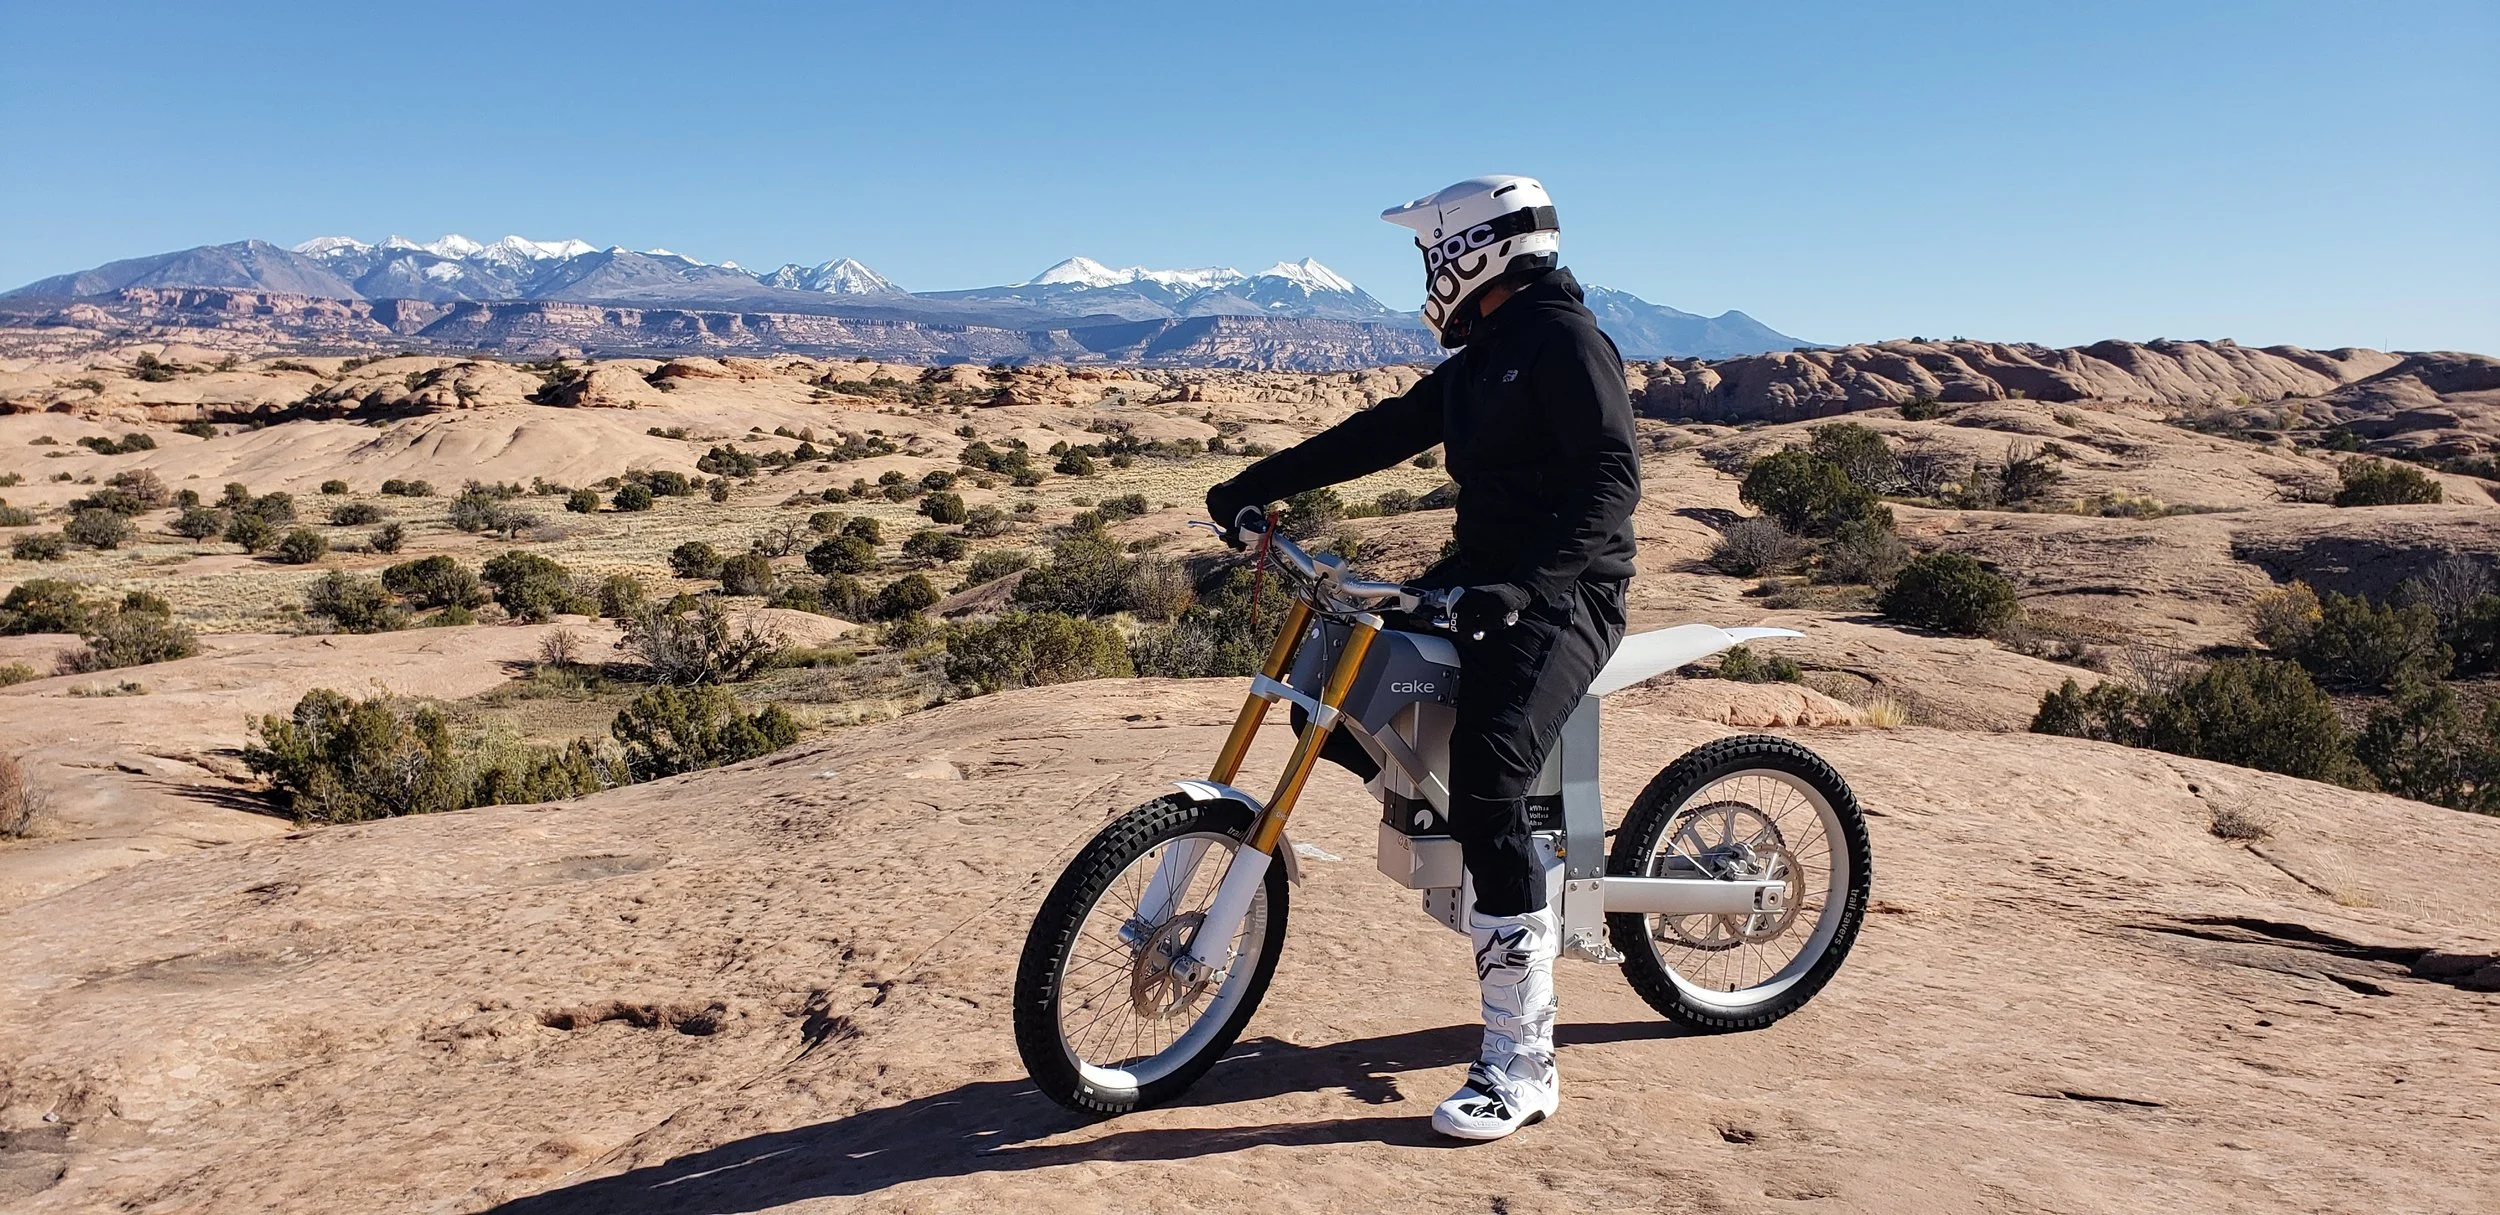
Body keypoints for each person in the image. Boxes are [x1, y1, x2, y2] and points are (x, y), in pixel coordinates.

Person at [1204, 175, 1640, 1141]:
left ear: (1477, 250)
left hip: (1561, 596)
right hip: (1483, 576)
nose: (1428, 273)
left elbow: (1613, 481)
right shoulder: (1491, 354)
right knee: (1326, 694)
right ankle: (1479, 852)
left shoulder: (1566, 342)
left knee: (1489, 782)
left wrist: (1523, 587)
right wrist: (1254, 483)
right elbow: (1385, 431)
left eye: (1433, 253)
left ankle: (1522, 1065)